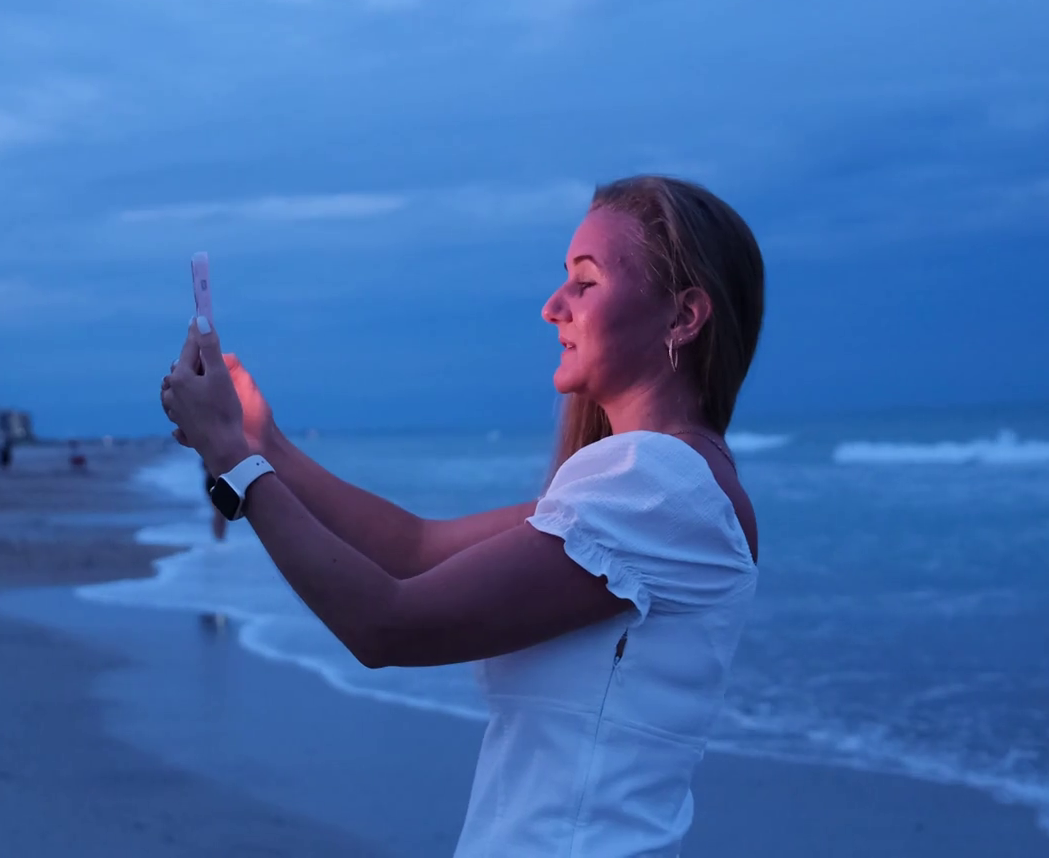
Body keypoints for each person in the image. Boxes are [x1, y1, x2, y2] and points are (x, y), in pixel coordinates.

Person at [161, 176, 763, 856]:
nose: (552, 307)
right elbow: (416, 549)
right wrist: (262, 445)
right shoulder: (646, 486)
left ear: (684, 317)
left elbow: (387, 625)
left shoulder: (660, 489)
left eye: (585, 282)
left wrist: (234, 464)